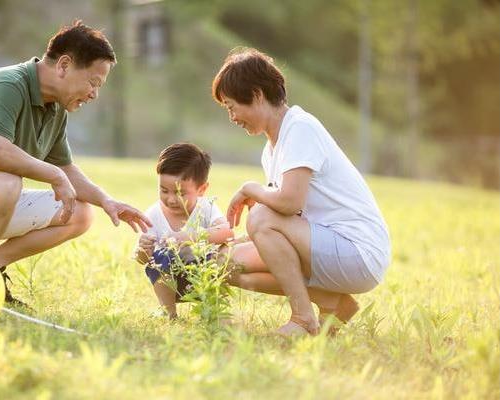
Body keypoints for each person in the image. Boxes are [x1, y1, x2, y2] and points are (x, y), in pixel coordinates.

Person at [0, 20, 151, 306]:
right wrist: (54, 175)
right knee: (6, 180)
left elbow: (67, 169)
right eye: (93, 82)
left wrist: (106, 201)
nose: (95, 94)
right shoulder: (7, 85)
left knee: (80, 213)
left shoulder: (56, 108)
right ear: (64, 65)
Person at [211, 48, 391, 336]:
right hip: (323, 245)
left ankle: (303, 319)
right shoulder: (271, 150)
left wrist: (250, 189)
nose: (232, 116)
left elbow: (287, 203)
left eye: (232, 106)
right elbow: (290, 219)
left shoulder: (301, 128)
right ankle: (334, 303)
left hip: (357, 252)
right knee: (225, 262)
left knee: (260, 217)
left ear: (257, 95)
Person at [134, 143, 234, 319]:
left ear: (201, 189)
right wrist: (143, 250)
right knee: (157, 260)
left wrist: (188, 236)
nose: (171, 199)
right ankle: (169, 313)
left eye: (180, 193)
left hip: (203, 277)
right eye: (164, 190)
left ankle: (211, 312)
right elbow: (143, 261)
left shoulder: (206, 207)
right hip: (171, 284)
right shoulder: (153, 215)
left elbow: (227, 232)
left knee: (220, 257)